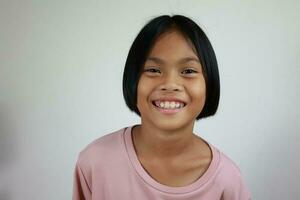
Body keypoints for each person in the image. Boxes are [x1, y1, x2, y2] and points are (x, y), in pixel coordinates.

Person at [72, 15, 251, 200]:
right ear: (133, 79)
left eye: (188, 71)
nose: (170, 84)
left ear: (209, 83)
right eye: (153, 70)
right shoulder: (94, 162)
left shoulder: (228, 181)